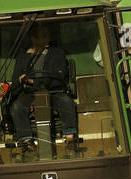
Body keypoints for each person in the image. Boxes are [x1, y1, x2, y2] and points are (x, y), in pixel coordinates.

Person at [8, 23, 78, 155]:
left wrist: (32, 80)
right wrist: (21, 81)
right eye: (43, 36)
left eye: (48, 36)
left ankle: (70, 139)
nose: (47, 39)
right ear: (33, 39)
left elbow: (59, 75)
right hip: (29, 93)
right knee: (17, 107)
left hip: (54, 91)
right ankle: (27, 142)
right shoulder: (23, 57)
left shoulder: (57, 53)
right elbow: (16, 81)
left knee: (66, 102)